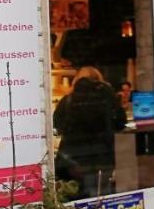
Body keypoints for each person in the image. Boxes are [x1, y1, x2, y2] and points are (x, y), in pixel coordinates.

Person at [53, 66, 126, 200]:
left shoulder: (68, 100)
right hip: (103, 157)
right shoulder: (108, 98)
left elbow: (57, 126)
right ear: (100, 80)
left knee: (74, 196)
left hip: (73, 159)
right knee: (101, 196)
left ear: (76, 80)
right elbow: (121, 123)